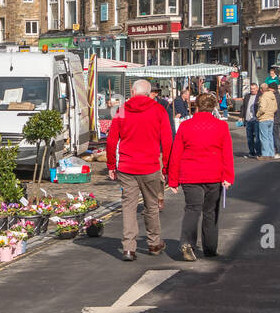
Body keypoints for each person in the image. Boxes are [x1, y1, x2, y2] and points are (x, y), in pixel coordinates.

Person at [106, 79, 172, 261]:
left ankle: (128, 247)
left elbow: (111, 141)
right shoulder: (159, 110)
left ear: (133, 92)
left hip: (127, 167)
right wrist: (166, 166)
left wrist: (111, 165)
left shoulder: (121, 111)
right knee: (151, 206)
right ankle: (154, 243)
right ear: (149, 93)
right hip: (150, 166)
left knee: (128, 206)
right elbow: (167, 140)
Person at [166, 93, 234, 261]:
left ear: (196, 106)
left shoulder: (186, 126)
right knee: (210, 212)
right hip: (214, 175)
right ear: (213, 107)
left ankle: (187, 243)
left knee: (192, 209)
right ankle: (210, 248)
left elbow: (176, 154)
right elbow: (227, 154)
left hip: (190, 175)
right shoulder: (221, 126)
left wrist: (172, 179)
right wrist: (228, 177)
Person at [255, 82, 277, 160]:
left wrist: (257, 115)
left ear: (261, 90)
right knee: (270, 136)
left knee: (264, 137)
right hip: (271, 118)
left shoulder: (264, 96)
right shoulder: (272, 96)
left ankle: (265, 154)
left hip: (264, 118)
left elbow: (262, 108)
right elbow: (275, 108)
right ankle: (271, 153)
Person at [241, 81, 261, 157]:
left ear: (257, 89)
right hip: (248, 119)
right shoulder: (247, 96)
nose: (252, 90)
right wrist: (241, 117)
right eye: (251, 89)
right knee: (249, 137)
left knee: (257, 137)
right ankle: (251, 151)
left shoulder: (260, 96)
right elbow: (243, 106)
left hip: (256, 119)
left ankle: (258, 152)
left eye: (254, 89)